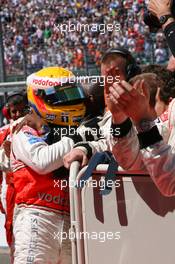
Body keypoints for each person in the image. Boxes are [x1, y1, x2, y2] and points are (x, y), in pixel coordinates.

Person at [10, 66, 107, 264]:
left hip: (73, 221)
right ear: (40, 97)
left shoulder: (84, 126)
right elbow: (42, 161)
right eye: (63, 95)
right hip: (37, 217)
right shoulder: (24, 128)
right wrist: (78, 137)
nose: (72, 101)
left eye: (74, 93)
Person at [0, 92, 29, 262]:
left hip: (32, 188)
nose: (18, 115)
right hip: (12, 189)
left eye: (21, 110)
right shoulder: (3, 133)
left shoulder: (40, 128)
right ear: (8, 113)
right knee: (12, 229)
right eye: (14, 112)